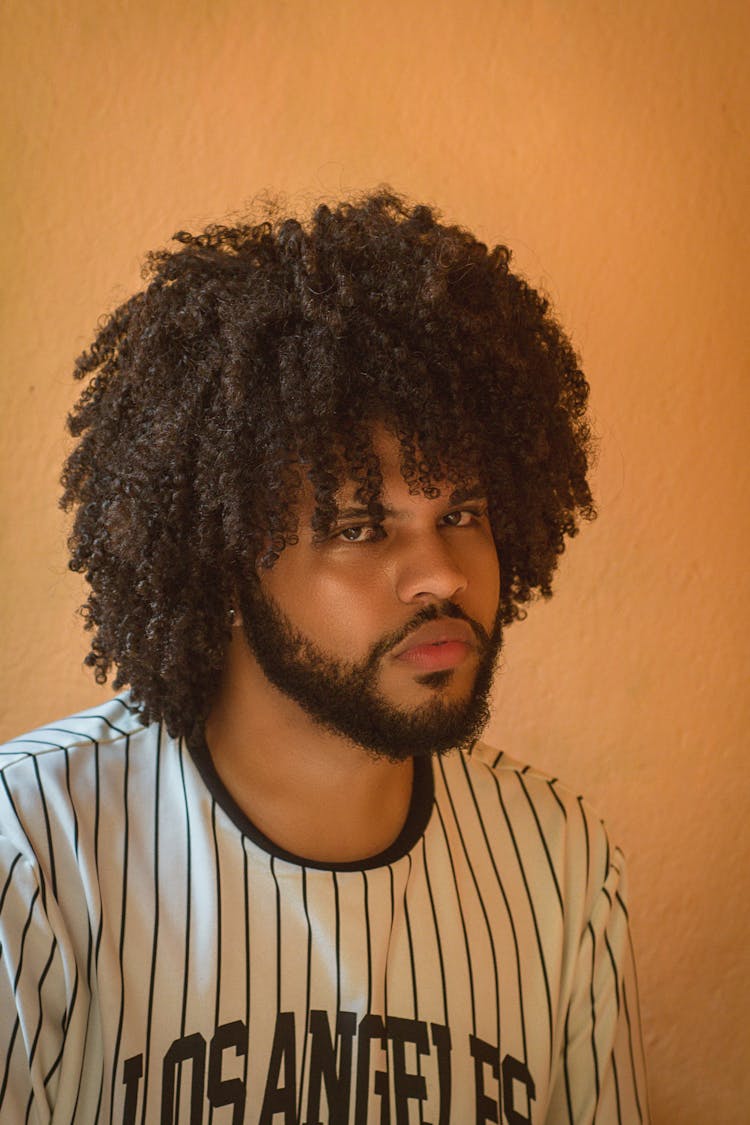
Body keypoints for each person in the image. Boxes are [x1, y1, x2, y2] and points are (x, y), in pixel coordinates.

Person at [0, 189, 649, 1124]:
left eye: (461, 515)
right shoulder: (37, 853)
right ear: (225, 562)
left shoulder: (562, 868)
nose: (440, 575)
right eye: (358, 526)